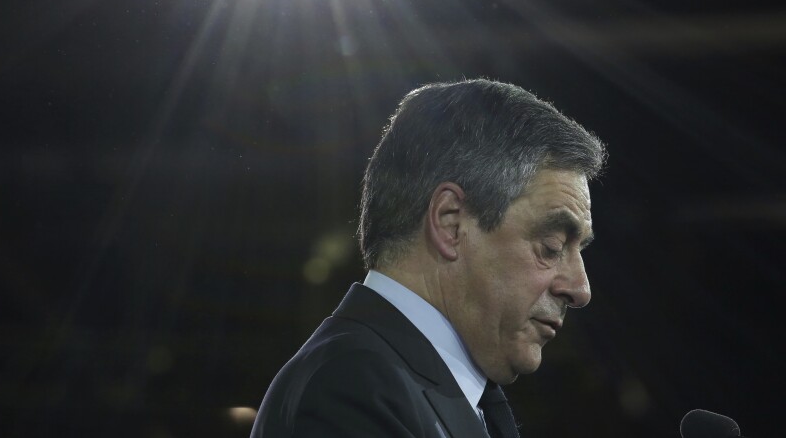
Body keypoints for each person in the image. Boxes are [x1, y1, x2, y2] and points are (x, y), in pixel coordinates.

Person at [251, 79, 607, 437]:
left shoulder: (420, 389)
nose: (580, 289)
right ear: (450, 223)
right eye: (550, 246)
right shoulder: (345, 391)